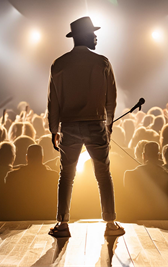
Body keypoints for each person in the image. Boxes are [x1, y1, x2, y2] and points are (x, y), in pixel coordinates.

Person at [47, 16, 124, 237]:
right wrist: (108, 125)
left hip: (68, 125)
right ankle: (110, 223)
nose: (96, 37)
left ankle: (62, 224)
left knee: (66, 175)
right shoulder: (102, 62)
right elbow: (111, 98)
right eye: (92, 33)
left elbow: (54, 101)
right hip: (97, 123)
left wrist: (54, 129)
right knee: (103, 173)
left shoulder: (59, 64)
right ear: (85, 36)